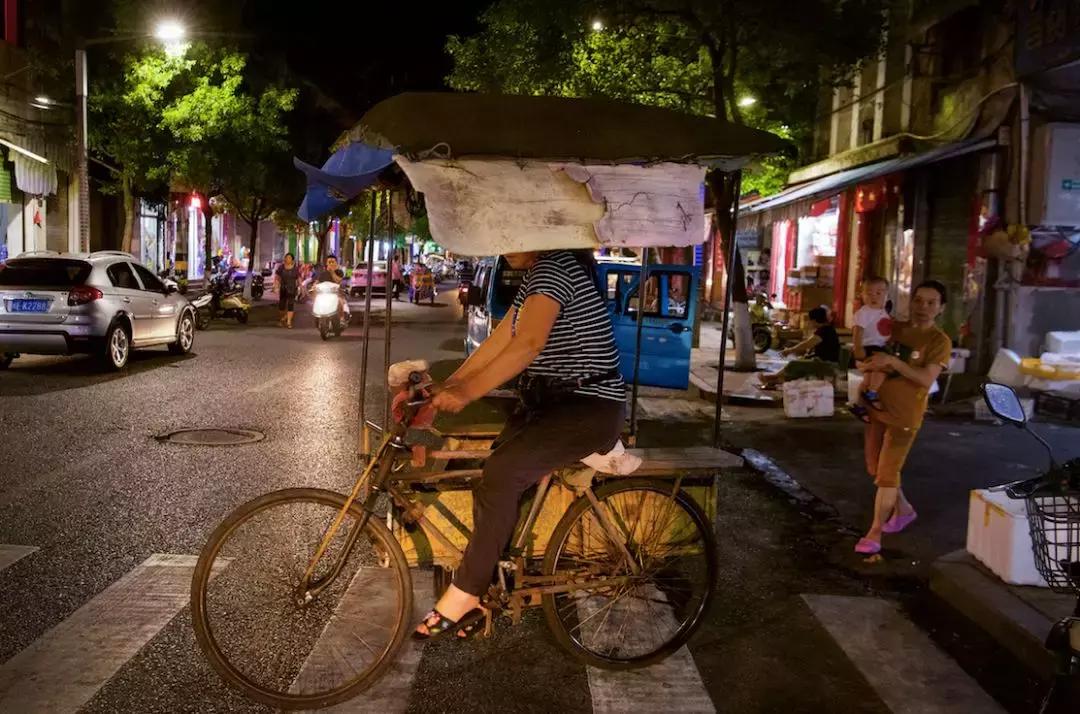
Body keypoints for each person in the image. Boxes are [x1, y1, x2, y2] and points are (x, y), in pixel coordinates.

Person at [413, 249, 626, 640]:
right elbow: (500, 340)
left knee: (502, 473)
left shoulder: (555, 267)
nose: (504, 247)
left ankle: (466, 592)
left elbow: (527, 344)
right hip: (552, 406)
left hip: (587, 408)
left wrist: (468, 393)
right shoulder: (536, 274)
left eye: (510, 237)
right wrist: (453, 384)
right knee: (494, 477)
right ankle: (494, 580)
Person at [855, 280, 951, 555]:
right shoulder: (894, 328)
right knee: (876, 469)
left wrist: (895, 363)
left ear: (941, 308)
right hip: (876, 409)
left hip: (904, 417)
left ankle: (874, 533)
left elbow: (924, 378)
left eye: (931, 302)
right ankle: (904, 510)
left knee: (886, 475)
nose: (923, 307)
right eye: (918, 300)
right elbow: (868, 344)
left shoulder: (938, 341)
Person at [759, 306, 839, 388]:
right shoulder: (826, 329)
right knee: (798, 362)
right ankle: (774, 379)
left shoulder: (825, 331)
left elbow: (807, 344)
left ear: (814, 320)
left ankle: (774, 378)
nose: (809, 322)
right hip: (821, 360)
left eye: (810, 320)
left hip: (826, 363)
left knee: (795, 364)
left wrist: (790, 350)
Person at [849, 277, 892, 422]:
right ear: (862, 295)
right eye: (869, 293)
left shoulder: (882, 311)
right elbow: (858, 331)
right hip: (870, 347)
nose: (874, 296)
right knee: (882, 369)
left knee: (867, 379)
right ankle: (872, 394)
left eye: (879, 293)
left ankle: (859, 405)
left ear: (887, 295)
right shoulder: (865, 312)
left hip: (879, 346)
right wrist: (858, 347)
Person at [315, 254, 347, 320]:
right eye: (329, 262)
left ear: (336, 263)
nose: (331, 264)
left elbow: (338, 281)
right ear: (326, 263)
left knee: (340, 302)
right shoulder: (323, 273)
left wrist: (332, 272)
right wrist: (314, 286)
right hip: (325, 294)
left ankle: (342, 318)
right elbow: (317, 282)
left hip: (337, 294)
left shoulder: (339, 272)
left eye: (333, 262)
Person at [274, 253, 300, 328]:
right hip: (283, 288)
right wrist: (276, 286)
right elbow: (277, 277)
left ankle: (289, 322)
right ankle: (283, 318)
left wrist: (301, 287)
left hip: (292, 288)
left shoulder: (295, 268)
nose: (288, 259)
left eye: (289, 258)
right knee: (281, 305)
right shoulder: (281, 267)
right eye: (286, 257)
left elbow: (298, 278)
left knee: (291, 305)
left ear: (292, 260)